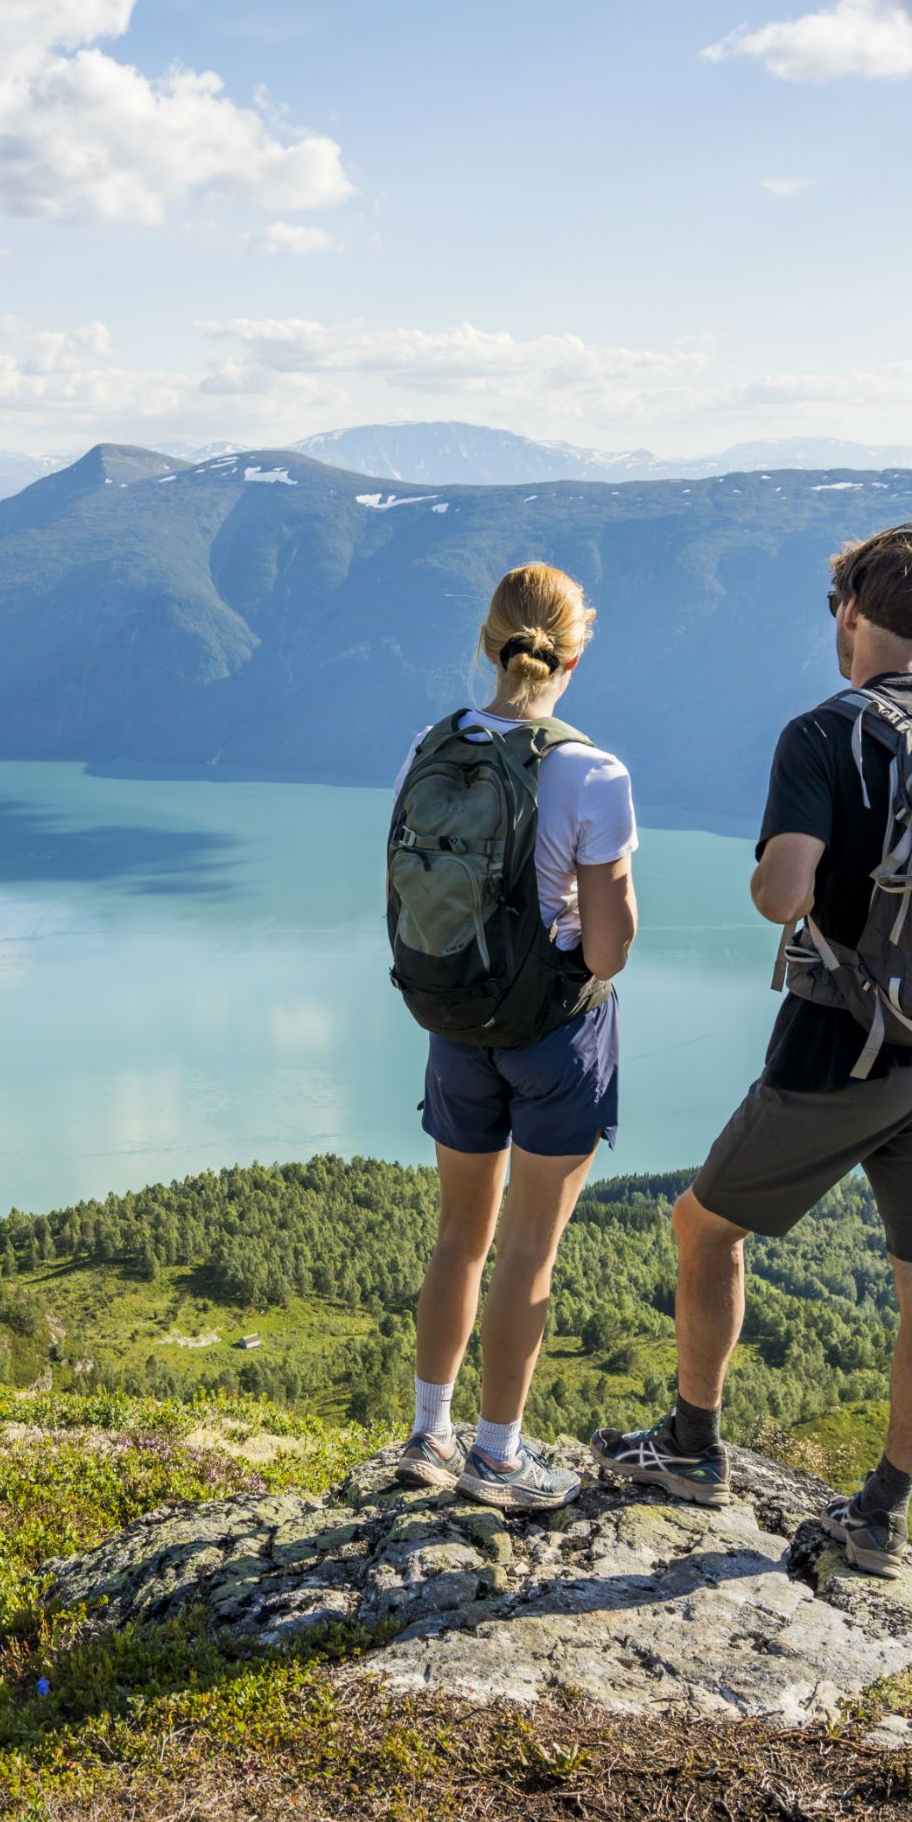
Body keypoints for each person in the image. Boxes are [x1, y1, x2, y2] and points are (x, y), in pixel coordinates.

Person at [593, 520, 912, 1571]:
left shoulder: (824, 734)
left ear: (851, 612)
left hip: (842, 1047)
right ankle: (880, 1516)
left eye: (835, 607)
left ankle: (692, 1449)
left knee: (703, 1227)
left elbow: (780, 891)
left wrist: (795, 882)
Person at [389, 563, 639, 1513]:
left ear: (490, 644)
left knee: (459, 1233)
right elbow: (608, 950)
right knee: (529, 1246)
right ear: (574, 650)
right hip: (552, 1038)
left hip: (452, 1022)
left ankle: (428, 1434)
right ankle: (498, 1457)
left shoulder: (432, 742)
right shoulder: (590, 770)